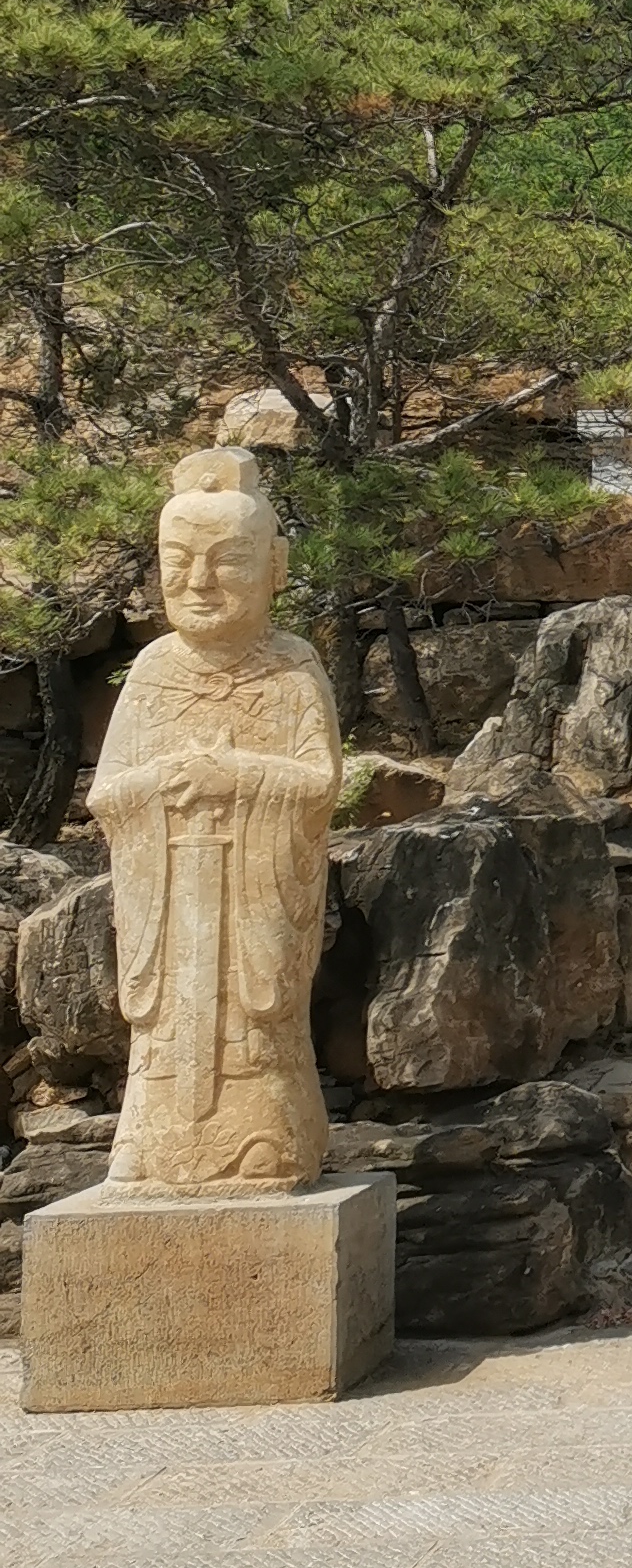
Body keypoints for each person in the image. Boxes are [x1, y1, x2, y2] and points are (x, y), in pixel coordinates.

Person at [92, 452, 342, 1191]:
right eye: (178, 562)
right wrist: (165, 785)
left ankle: (267, 1137)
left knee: (254, 1023)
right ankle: (149, 1143)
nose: (198, 583)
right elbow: (108, 794)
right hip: (170, 897)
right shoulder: (152, 672)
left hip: (251, 896)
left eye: (226, 561)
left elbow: (320, 782)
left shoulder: (293, 667)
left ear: (276, 566)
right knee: (165, 1025)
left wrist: (235, 777)